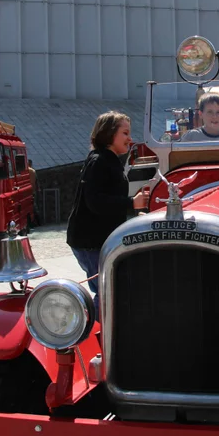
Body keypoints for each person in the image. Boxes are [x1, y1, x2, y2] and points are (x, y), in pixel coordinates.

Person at [66, 112, 150, 307]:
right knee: (106, 292)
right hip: (90, 241)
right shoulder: (100, 161)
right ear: (109, 134)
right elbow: (95, 201)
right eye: (125, 133)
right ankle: (100, 332)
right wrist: (132, 203)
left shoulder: (108, 160)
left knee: (110, 289)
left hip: (98, 239)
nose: (130, 138)